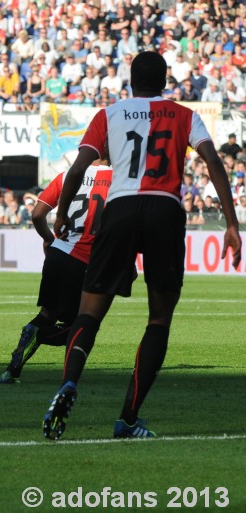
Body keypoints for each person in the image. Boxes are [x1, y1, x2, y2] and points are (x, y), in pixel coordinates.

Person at [42, 52, 242, 441]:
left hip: (118, 211)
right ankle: (128, 418)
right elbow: (213, 161)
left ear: (130, 81)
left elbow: (78, 167)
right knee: (158, 320)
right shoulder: (185, 115)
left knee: (89, 312)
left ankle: (69, 383)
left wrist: (62, 212)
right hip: (165, 211)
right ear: (165, 81)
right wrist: (231, 223)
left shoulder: (109, 114)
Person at [0, 157, 112, 384]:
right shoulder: (118, 180)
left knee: (47, 314)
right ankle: (61, 367)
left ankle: (11, 371)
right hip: (85, 261)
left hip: (58, 254)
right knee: (78, 325)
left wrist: (50, 239)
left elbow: (38, 214)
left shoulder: (67, 175)